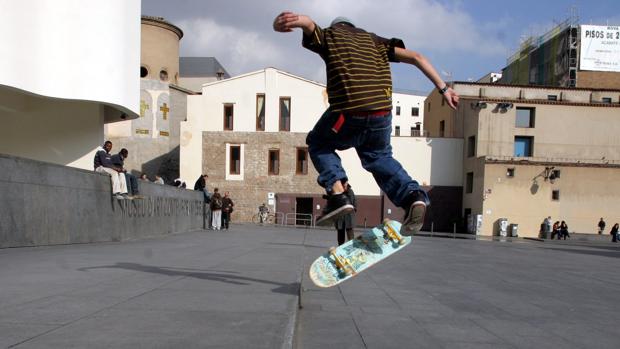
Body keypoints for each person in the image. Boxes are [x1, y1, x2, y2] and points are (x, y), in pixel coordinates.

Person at [273, 12, 459, 234]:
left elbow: (309, 24)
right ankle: (413, 197)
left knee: (318, 142)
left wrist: (286, 22)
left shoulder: (331, 36)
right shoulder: (376, 41)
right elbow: (417, 57)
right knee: (379, 157)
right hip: (381, 113)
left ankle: (338, 194)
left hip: (348, 112)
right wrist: (444, 89)